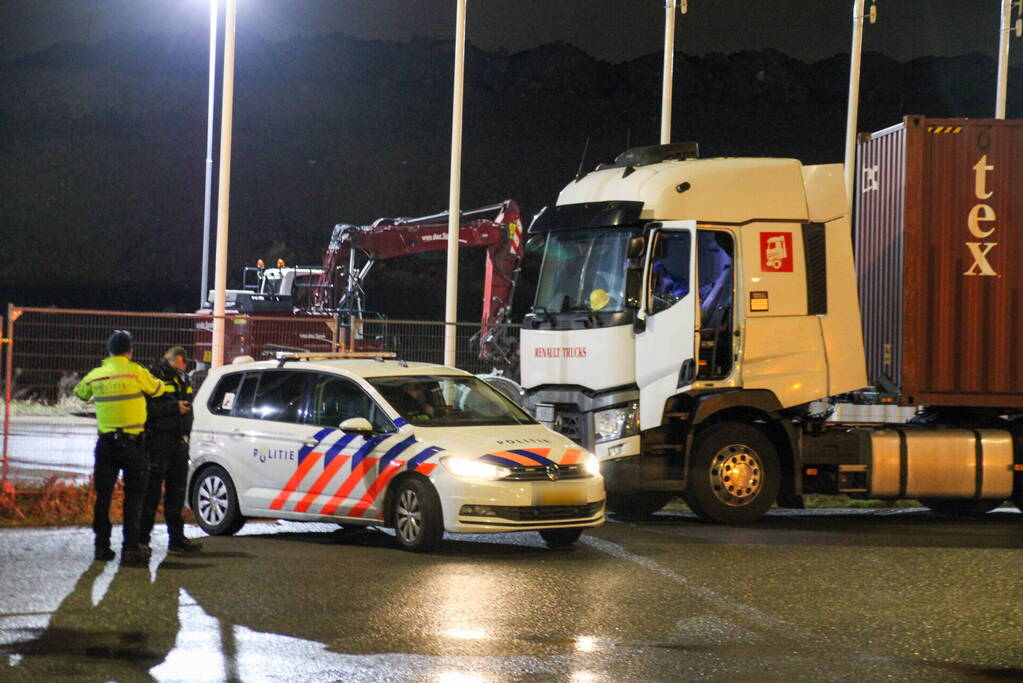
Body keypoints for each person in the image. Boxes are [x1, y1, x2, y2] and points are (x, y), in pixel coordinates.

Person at [74, 330, 166, 566]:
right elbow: (158, 389)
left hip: (106, 444)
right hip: (133, 444)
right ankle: (130, 549)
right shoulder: (135, 372)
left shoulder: (97, 375)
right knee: (134, 497)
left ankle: (101, 547)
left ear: (109, 351)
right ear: (130, 351)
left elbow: (80, 393)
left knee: (103, 497)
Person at [140, 346, 202, 554]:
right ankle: (142, 541)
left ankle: (176, 540)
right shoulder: (152, 377)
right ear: (177, 360)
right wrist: (173, 408)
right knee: (151, 493)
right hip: (158, 442)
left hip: (179, 442)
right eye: (183, 363)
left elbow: (189, 407)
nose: (184, 367)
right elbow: (146, 410)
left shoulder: (183, 378)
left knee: (176, 493)